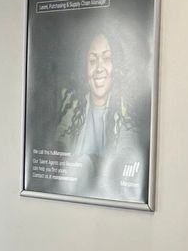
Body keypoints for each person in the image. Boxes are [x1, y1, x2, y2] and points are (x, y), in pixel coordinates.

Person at [55, 28, 145, 201]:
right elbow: (61, 141)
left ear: (116, 66)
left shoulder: (126, 106)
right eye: (92, 60)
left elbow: (128, 150)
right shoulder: (72, 103)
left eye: (106, 58)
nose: (98, 68)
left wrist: (92, 164)